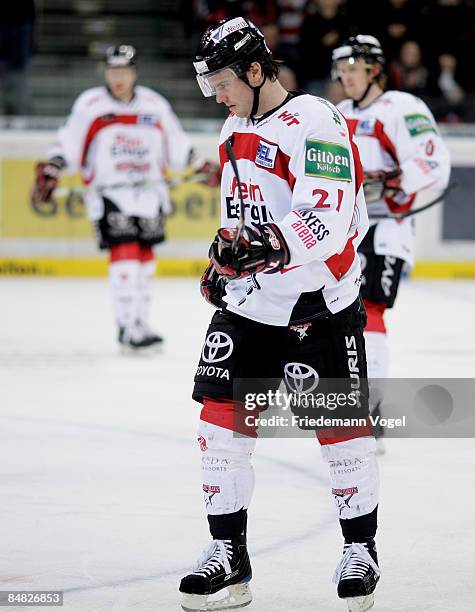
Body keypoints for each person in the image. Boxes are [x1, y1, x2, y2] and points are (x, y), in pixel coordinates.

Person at [179, 17, 381, 612]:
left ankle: (359, 549)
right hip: (253, 303)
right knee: (219, 423)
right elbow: (239, 209)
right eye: (210, 82)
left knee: (339, 431)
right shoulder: (233, 126)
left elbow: (326, 213)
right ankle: (227, 556)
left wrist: (265, 246)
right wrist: (226, 258)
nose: (216, 93)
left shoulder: (317, 120)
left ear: (257, 71)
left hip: (321, 301)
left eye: (222, 81)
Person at [32, 45, 217, 350]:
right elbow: (68, 141)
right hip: (111, 194)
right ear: (106, 72)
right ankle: (127, 325)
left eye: (124, 71)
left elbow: (177, 142)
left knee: (145, 259)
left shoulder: (154, 104)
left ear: (134, 73)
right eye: (113, 71)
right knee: (126, 255)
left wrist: (200, 165)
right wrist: (54, 167)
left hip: (150, 194)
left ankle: (140, 323)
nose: (118, 78)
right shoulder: (90, 104)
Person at [332, 35, 451, 446]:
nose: (345, 77)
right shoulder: (336, 114)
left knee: (370, 311)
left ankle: (371, 409)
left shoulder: (401, 107)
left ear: (374, 70)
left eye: (353, 69)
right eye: (342, 70)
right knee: (342, 316)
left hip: (387, 229)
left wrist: (392, 181)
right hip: (346, 231)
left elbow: (433, 161)